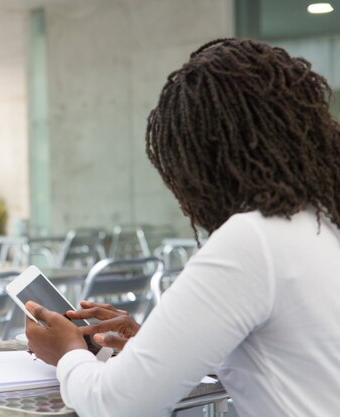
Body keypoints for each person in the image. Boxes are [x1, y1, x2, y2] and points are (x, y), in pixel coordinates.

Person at [25, 38, 340, 417]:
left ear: (202, 162)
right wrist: (154, 348)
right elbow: (287, 361)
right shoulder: (319, 224)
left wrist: (67, 352)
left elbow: (116, 405)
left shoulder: (252, 239)